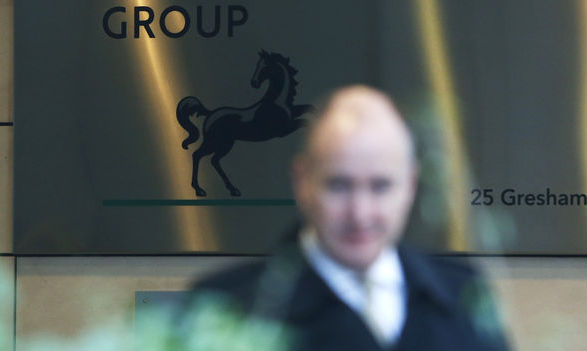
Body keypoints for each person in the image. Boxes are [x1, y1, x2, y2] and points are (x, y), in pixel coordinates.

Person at [184, 85, 512, 351]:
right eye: (339, 185)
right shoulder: (224, 307)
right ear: (302, 181)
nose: (360, 213)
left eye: (380, 186)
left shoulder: (463, 294)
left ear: (410, 186)